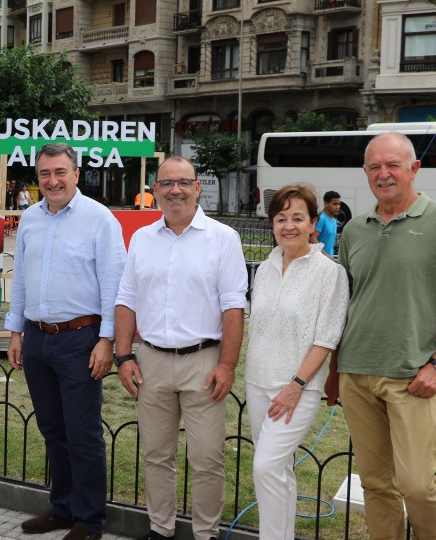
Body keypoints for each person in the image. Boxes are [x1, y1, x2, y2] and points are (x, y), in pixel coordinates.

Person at [325, 132, 436, 540]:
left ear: (413, 169)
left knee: (416, 484)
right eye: (375, 167)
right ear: (365, 173)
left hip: (412, 377)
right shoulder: (355, 230)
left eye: (392, 165)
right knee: (376, 485)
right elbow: (347, 304)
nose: (383, 174)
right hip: (357, 374)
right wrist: (334, 370)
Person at [114, 156, 248, 540]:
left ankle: (205, 534)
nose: (175, 190)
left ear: (196, 187)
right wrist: (124, 356)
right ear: (154, 190)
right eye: (167, 183)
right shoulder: (142, 239)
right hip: (151, 360)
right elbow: (127, 299)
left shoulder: (222, 238)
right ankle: (161, 529)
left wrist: (227, 365)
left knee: (207, 458)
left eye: (183, 182)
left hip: (204, 362)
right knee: (156, 455)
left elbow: (233, 306)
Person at [5, 143, 126, 540]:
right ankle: (63, 508)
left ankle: (89, 521)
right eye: (44, 174)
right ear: (37, 178)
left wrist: (107, 340)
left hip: (81, 339)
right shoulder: (30, 220)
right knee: (52, 429)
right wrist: (15, 331)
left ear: (76, 173)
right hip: (38, 339)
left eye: (60, 172)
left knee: (82, 432)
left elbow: (115, 286)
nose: (52, 181)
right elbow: (20, 279)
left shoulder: (99, 219)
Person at [245, 184, 349, 539]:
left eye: (297, 218)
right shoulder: (265, 268)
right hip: (257, 381)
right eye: (281, 218)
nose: (288, 225)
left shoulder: (328, 272)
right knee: (278, 470)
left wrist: (295, 386)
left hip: (297, 388)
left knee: (266, 466)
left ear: (313, 223)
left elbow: (327, 337)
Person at [310, 190, 341, 257]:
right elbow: (312, 238)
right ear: (326, 204)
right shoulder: (321, 219)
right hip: (319, 259)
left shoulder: (334, 221)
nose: (338, 207)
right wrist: (325, 255)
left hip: (329, 259)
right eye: (334, 204)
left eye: (339, 204)